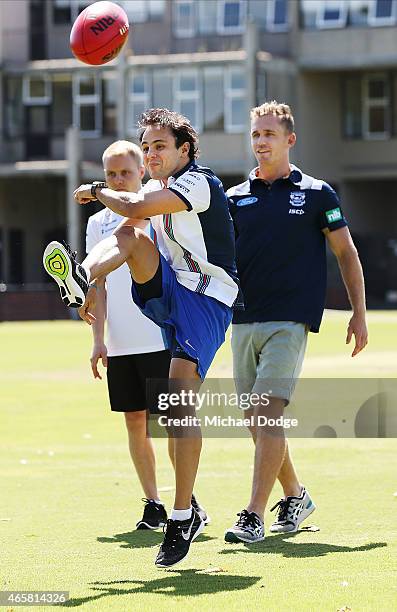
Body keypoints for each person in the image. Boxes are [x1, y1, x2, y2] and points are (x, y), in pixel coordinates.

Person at [43, 108, 238, 568]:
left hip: (207, 298)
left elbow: (130, 205)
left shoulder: (197, 182)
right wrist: (91, 283)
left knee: (177, 402)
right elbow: (129, 224)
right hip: (172, 287)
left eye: (159, 146)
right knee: (129, 237)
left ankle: (182, 514)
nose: (150, 153)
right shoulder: (153, 187)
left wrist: (95, 190)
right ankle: (78, 274)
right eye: (146, 146)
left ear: (184, 151)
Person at [224, 100, 368, 543]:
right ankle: (296, 495)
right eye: (255, 135)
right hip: (243, 318)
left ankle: (253, 514)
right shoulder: (233, 198)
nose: (260, 142)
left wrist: (358, 313)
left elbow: (346, 253)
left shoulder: (318, 194)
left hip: (291, 320)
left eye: (269, 134)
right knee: (255, 419)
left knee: (267, 414)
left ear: (290, 139)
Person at [86, 139, 208, 531]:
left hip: (159, 336)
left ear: (142, 171)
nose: (118, 179)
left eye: (125, 172)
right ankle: (153, 502)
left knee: (172, 421)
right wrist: (98, 339)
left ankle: (186, 504)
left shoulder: (155, 206)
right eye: (110, 174)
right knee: (134, 422)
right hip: (121, 340)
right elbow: (98, 282)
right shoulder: (95, 222)